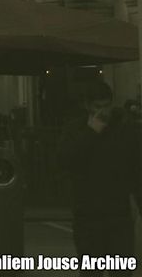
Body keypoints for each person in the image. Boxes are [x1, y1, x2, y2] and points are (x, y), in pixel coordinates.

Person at [58, 81, 141, 277]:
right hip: (87, 215)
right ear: (87, 106)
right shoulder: (75, 129)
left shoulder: (125, 130)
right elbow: (66, 161)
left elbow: (136, 170)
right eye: (97, 106)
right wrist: (90, 132)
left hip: (118, 215)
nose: (102, 111)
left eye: (106, 105)